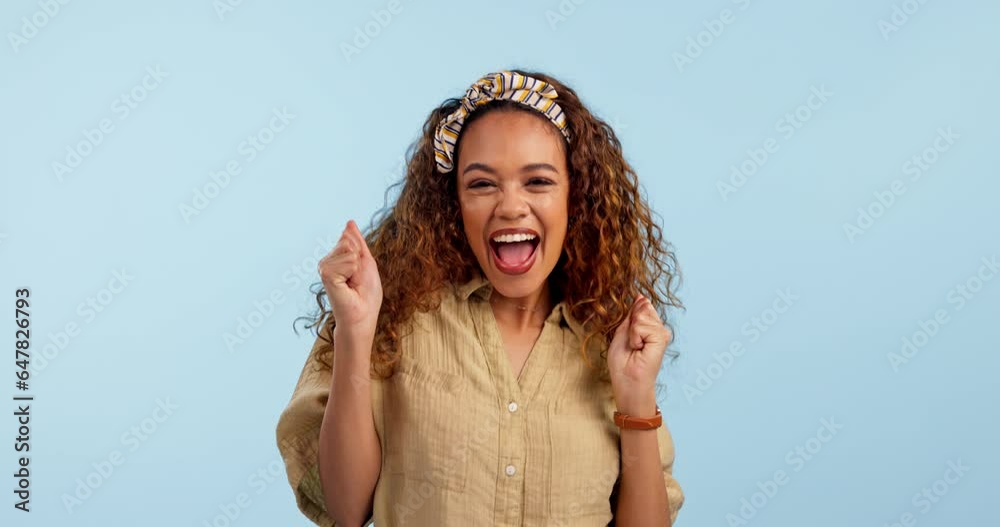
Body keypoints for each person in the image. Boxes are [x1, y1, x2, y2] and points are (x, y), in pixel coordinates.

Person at [276, 69, 685, 526]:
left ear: (576, 196)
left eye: (538, 182)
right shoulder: (393, 321)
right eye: (482, 184)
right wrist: (355, 335)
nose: (510, 206)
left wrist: (635, 401)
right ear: (454, 203)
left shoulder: (610, 346)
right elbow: (346, 510)